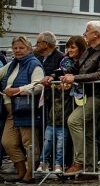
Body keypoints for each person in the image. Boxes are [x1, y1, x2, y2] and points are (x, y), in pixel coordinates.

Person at [62, 21, 100, 182]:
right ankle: (91, 170)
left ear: (96, 34)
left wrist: (75, 78)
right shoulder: (89, 51)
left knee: (74, 121)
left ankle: (80, 162)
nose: (84, 33)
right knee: (89, 131)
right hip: (87, 95)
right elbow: (75, 68)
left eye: (87, 31)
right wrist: (57, 75)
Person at [0, 36, 44, 184]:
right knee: (7, 142)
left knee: (29, 143)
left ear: (29, 49)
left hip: (26, 110)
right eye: (15, 48)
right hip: (11, 112)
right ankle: (21, 171)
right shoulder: (12, 64)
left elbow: (39, 86)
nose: (17, 50)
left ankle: (30, 174)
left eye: (21, 48)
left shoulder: (34, 64)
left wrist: (18, 90)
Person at [37, 36, 86, 175]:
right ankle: (55, 163)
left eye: (73, 47)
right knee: (55, 134)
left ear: (81, 48)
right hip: (62, 100)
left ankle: (68, 163)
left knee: (67, 133)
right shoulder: (65, 60)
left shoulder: (84, 60)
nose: (69, 50)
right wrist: (53, 77)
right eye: (68, 47)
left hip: (77, 99)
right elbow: (59, 73)